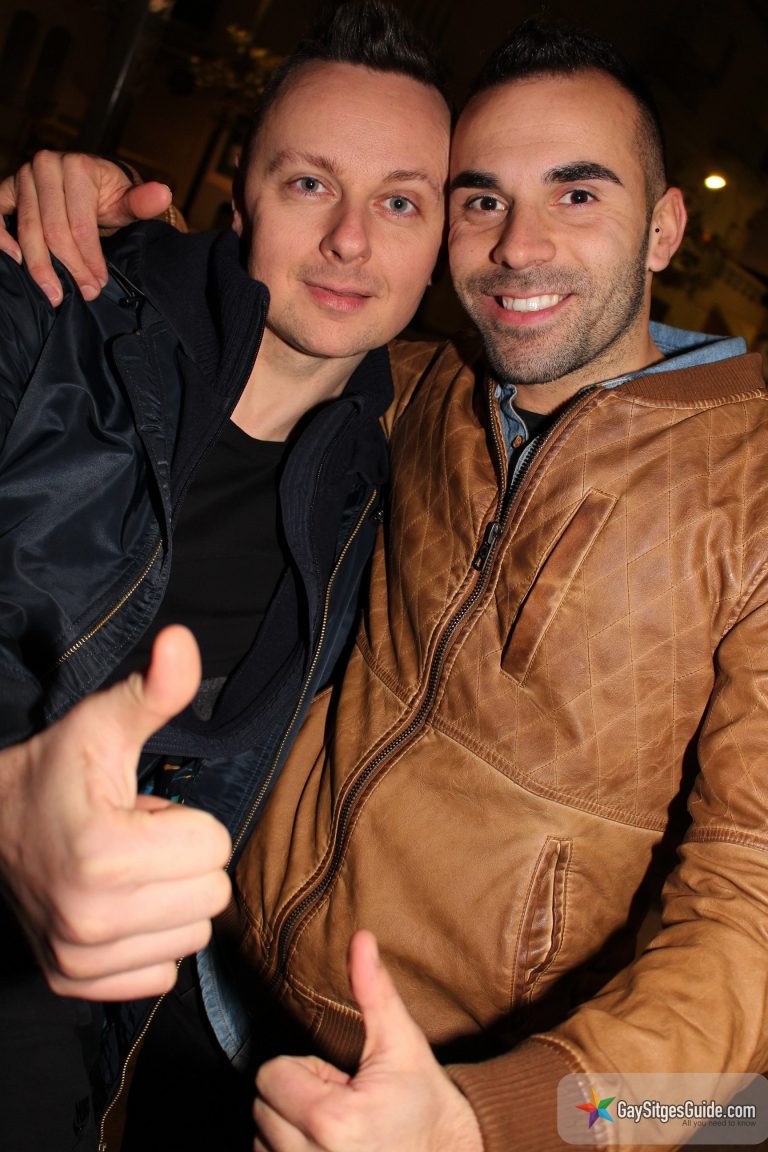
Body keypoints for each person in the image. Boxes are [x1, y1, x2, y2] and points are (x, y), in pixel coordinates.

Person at [7, 16, 768, 1152]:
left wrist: (504, 1123)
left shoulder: (752, 484)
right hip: (185, 994)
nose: (518, 247)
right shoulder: (414, 390)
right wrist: (81, 194)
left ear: (664, 227)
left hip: (443, 1103)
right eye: (480, 199)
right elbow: (257, 299)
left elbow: (747, 1009)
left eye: (577, 193)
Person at [0, 4, 449, 1150]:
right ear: (239, 196)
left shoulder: (388, 492)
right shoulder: (46, 308)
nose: (350, 241)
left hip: (72, 1035)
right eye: (310, 184)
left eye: (401, 202)